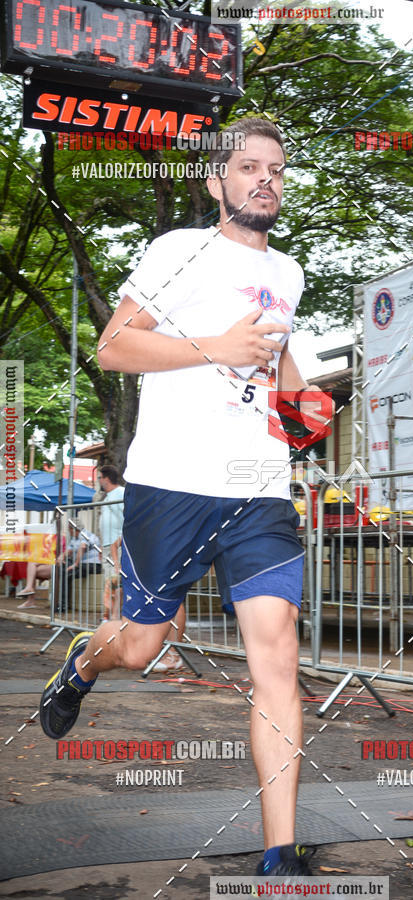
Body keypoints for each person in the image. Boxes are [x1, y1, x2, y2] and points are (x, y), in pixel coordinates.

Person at [39, 117, 328, 878]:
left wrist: (303, 406)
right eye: (247, 167)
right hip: (171, 485)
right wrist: (216, 349)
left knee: (278, 650)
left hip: (258, 488)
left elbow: (279, 361)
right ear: (216, 182)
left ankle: (279, 858)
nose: (263, 178)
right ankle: (82, 664)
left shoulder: (290, 273)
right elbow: (113, 346)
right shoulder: (179, 251)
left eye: (275, 168)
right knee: (143, 644)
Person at [55, 519, 102, 614]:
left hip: (92, 565)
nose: (68, 531)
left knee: (66, 574)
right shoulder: (74, 538)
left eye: (69, 529)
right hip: (83, 565)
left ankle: (63, 605)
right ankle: (61, 603)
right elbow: (69, 550)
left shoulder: (84, 534)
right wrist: (61, 557)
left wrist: (76, 564)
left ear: (73, 529)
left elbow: (82, 547)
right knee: (63, 570)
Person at [97, 465, 125, 601]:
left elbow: (127, 518)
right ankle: (110, 614)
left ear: (106, 479)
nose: (98, 481)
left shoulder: (120, 492)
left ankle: (116, 615)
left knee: (115, 581)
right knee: (109, 581)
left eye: (99, 478)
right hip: (107, 545)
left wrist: (120, 541)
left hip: (117, 545)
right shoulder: (107, 496)